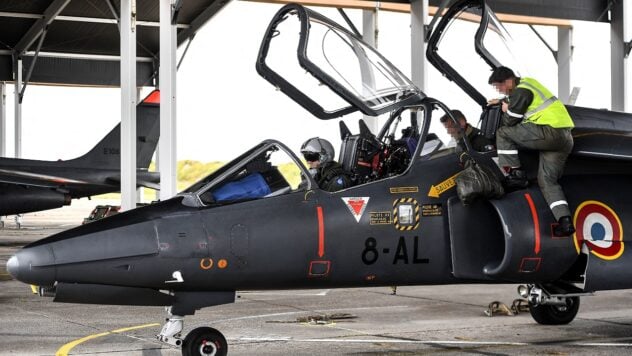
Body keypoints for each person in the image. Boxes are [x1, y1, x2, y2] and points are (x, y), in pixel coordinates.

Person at [488, 66, 575, 236]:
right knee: (547, 181)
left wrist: (505, 109)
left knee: (503, 133)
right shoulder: (529, 83)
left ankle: (515, 174)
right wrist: (501, 101)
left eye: (499, 86)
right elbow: (519, 100)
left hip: (549, 132)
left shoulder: (521, 92)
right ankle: (564, 221)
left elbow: (510, 121)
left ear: (508, 81)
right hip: (564, 138)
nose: (499, 90)